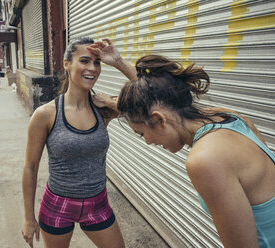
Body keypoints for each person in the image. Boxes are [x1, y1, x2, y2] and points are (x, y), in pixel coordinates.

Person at [92, 42, 275, 247]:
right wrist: (119, 64)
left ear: (159, 120)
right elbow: (157, 99)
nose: (148, 141)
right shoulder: (230, 118)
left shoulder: (204, 160)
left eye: (142, 133)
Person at [21, 37, 135, 248]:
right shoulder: (45, 115)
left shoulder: (103, 108)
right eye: (84, 61)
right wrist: (29, 218)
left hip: (98, 204)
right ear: (67, 64)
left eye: (97, 62)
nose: (92, 68)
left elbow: (152, 97)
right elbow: (30, 167)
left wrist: (118, 61)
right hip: (57, 205)